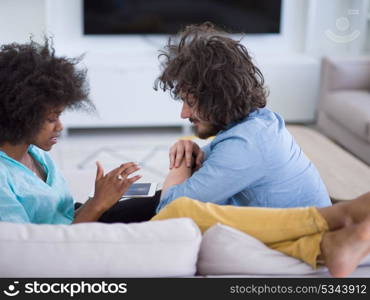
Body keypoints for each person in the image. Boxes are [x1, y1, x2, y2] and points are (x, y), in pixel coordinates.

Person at [154, 22, 331, 212]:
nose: (184, 114)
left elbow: (168, 210)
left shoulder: (247, 144)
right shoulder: (260, 121)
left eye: (190, 102)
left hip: (305, 239)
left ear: (219, 97)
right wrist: (188, 150)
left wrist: (180, 162)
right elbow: (205, 165)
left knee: (141, 208)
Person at [0, 38, 147, 224]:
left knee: (157, 201)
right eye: (52, 119)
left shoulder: (36, 154)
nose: (60, 127)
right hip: (65, 247)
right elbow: (31, 246)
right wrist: (97, 205)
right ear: (18, 115)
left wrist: (101, 198)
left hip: (79, 226)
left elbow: (65, 217)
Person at [152, 189, 370, 278]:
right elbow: (168, 204)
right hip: (132, 225)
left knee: (211, 233)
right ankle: (337, 216)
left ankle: (323, 246)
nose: (184, 114)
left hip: (128, 221)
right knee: (180, 210)